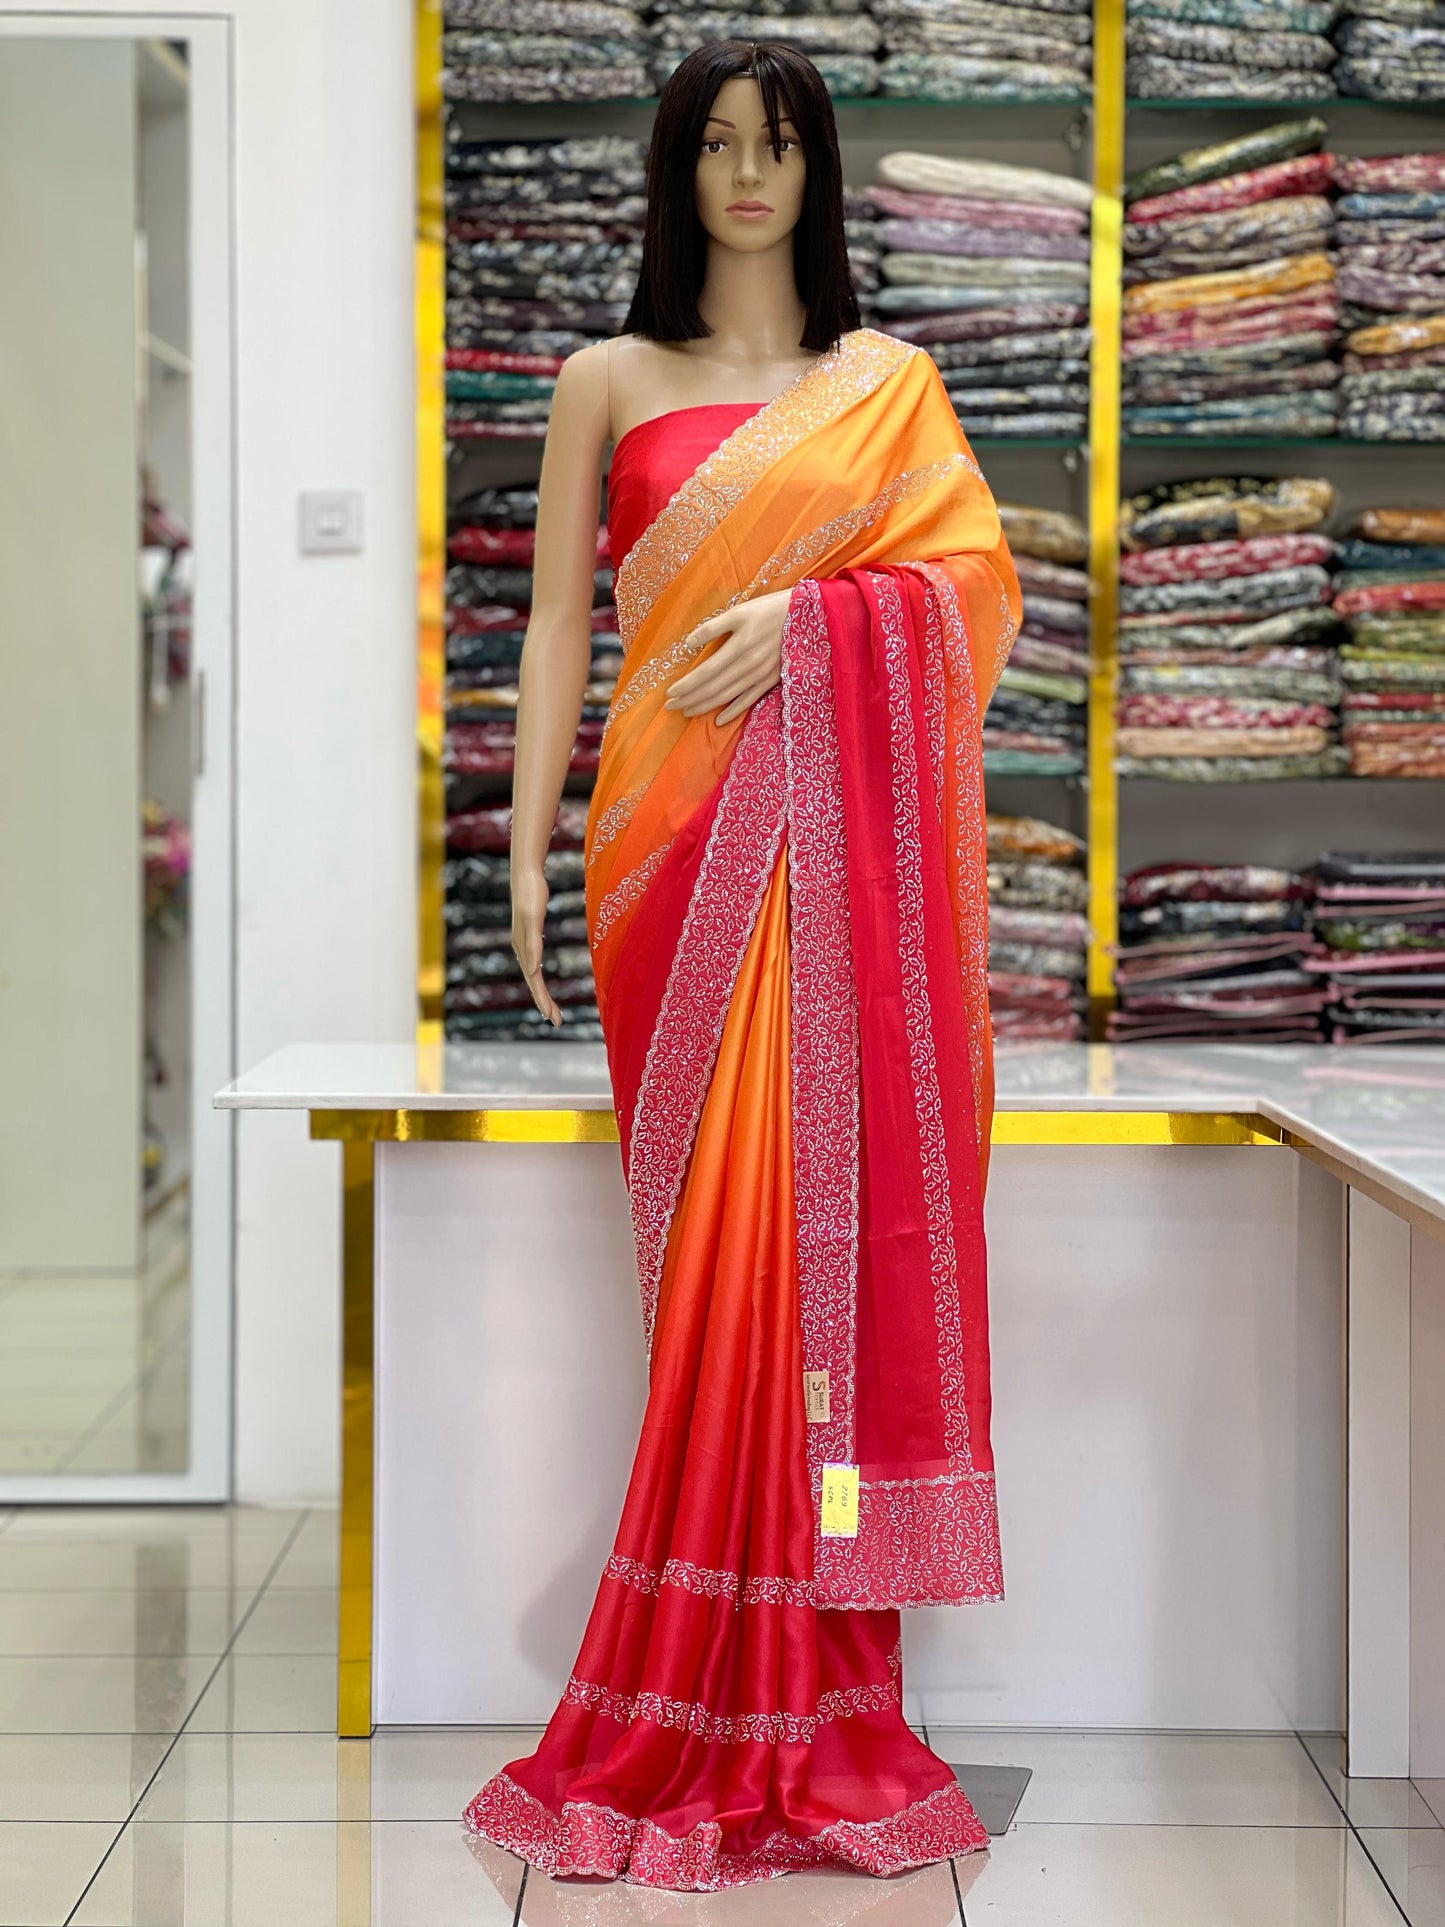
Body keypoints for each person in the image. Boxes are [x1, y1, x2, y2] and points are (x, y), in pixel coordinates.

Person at [465, 38, 1021, 1892]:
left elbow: (972, 597)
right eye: (713, 143)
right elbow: (555, 621)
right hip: (661, 859)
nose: (746, 175)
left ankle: (806, 1682)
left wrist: (816, 616)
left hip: (822, 876)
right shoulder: (604, 377)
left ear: (821, 169)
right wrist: (525, 846)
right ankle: (712, 1666)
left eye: (776, 145)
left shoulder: (888, 391)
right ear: (673, 168)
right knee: (708, 1276)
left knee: (805, 1268)